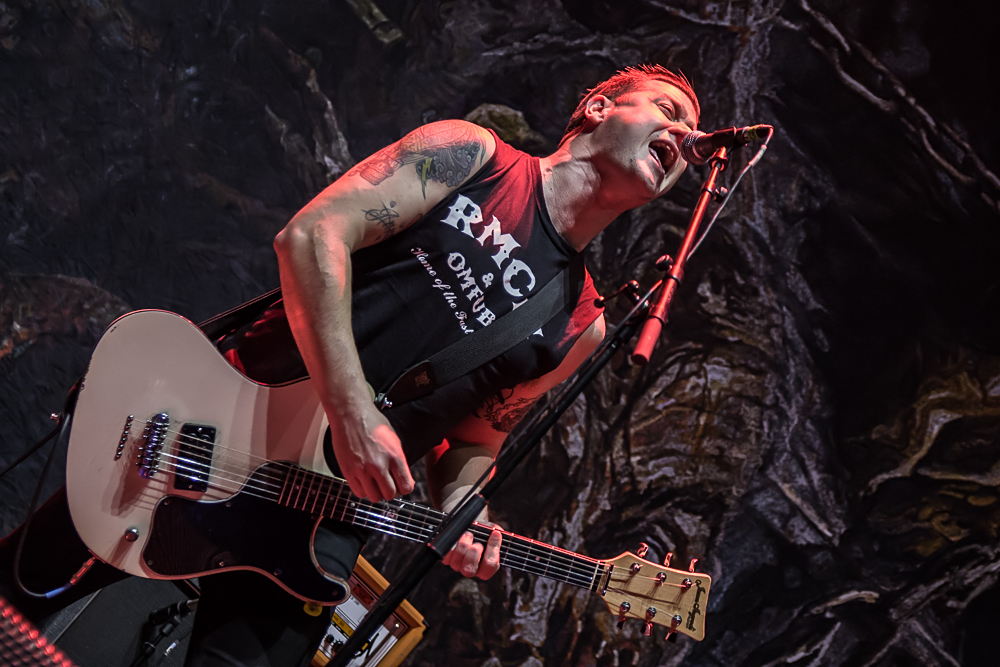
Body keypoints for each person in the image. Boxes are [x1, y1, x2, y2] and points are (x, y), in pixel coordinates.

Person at [0, 64, 699, 667]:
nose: (685, 142)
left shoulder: (582, 321)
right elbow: (310, 235)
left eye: (694, 144)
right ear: (600, 107)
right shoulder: (470, 157)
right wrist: (352, 408)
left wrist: (465, 509)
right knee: (18, 599)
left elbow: (480, 437)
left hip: (322, 520)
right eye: (669, 112)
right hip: (216, 419)